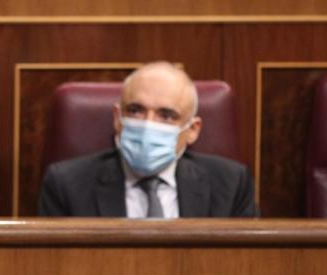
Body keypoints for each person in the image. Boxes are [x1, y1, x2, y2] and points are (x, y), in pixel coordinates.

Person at [38, 61, 257, 218]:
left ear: (193, 130)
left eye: (166, 115)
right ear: (117, 118)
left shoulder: (231, 184)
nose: (148, 124)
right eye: (135, 111)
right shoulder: (67, 185)